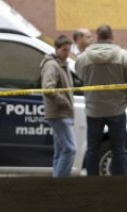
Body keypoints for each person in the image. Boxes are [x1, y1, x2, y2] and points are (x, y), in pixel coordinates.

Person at [75, 24, 127, 176]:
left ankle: (93, 183)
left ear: (97, 37)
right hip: (116, 110)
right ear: (112, 37)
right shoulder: (123, 56)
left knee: (92, 149)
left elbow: (79, 75)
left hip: (94, 110)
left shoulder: (84, 58)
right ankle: (119, 184)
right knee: (118, 148)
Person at [40, 34, 76, 177]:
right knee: (70, 149)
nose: (67, 54)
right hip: (59, 114)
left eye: (68, 50)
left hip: (62, 113)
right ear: (56, 49)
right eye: (64, 50)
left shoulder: (61, 64)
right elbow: (48, 88)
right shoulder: (52, 65)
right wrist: (65, 102)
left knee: (60, 151)